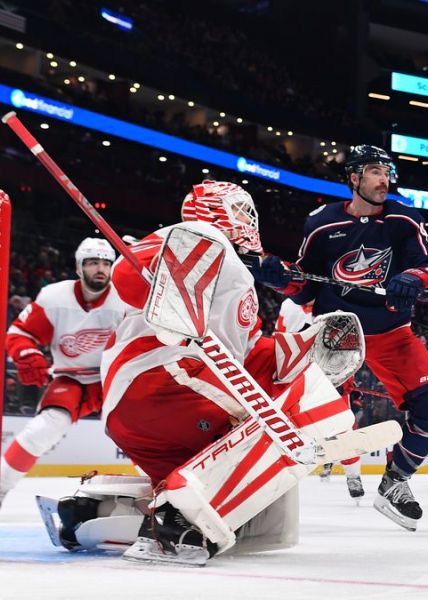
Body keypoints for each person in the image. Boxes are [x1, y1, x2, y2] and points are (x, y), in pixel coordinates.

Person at [97, 180, 357, 564]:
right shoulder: (200, 236)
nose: (248, 221)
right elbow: (127, 277)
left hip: (153, 411)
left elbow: (248, 356)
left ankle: (100, 512)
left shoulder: (235, 277)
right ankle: (170, 524)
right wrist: (170, 285)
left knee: (222, 505)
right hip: (162, 380)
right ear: (215, 213)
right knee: (307, 405)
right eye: (240, 211)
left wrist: (305, 348)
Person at [251, 145, 428, 531]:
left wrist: (413, 280)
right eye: (375, 171)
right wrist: (282, 279)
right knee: (285, 412)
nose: (384, 180)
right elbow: (305, 285)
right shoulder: (322, 223)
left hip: (391, 332)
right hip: (335, 336)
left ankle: (395, 483)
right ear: (354, 178)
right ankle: (250, 488)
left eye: (387, 172)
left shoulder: (403, 219)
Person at [1, 238, 129, 508]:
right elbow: (20, 333)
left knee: (143, 431)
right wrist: (28, 354)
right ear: (79, 267)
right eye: (92, 262)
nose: (100, 269)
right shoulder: (54, 297)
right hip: (72, 380)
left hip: (116, 377)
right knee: (40, 431)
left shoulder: (125, 298)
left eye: (106, 263)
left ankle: (167, 497)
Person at [275, 297, 366, 500]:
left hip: (332, 378)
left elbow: (348, 348)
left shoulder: (336, 304)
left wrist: (347, 377)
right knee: (290, 427)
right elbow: (281, 342)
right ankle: (281, 479)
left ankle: (353, 476)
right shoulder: (289, 307)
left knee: (344, 429)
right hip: (299, 377)